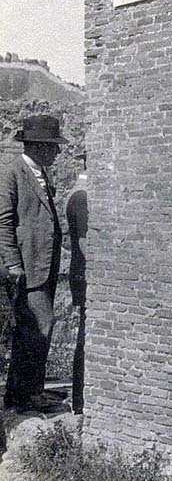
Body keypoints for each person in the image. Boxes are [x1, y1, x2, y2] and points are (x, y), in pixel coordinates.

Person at [0, 115, 67, 413]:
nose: (58, 153)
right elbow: (3, 223)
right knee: (41, 324)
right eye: (54, 147)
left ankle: (22, 394)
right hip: (27, 266)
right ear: (39, 146)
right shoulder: (13, 173)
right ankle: (27, 395)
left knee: (33, 328)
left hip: (44, 264)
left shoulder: (40, 172)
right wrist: (14, 264)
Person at [65, 154, 88, 415]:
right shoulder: (82, 197)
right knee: (85, 337)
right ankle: (80, 401)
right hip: (84, 275)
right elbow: (85, 244)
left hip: (82, 273)